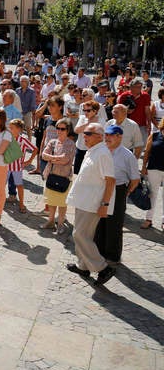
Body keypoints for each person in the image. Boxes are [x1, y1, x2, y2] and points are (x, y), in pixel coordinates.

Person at [65, 123, 117, 286]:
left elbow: (110, 181)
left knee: (79, 235)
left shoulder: (102, 154)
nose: (84, 136)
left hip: (93, 203)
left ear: (99, 136)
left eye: (88, 133)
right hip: (84, 201)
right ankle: (83, 266)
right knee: (83, 235)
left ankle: (103, 268)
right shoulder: (92, 150)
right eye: (84, 133)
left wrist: (105, 204)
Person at [97, 124, 139, 263]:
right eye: (106, 135)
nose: (107, 138)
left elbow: (135, 179)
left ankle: (113, 257)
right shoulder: (101, 150)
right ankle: (98, 252)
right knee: (99, 222)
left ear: (119, 137)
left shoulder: (128, 155)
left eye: (111, 135)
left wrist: (125, 193)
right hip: (100, 188)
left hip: (118, 189)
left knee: (114, 224)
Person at [40, 119, 76, 233]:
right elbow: (43, 155)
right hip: (51, 175)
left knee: (62, 203)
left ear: (68, 130)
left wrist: (51, 158)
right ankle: (51, 221)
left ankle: (60, 224)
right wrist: (56, 158)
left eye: (62, 129)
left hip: (64, 177)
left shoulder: (71, 144)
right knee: (51, 201)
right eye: (58, 128)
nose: (59, 131)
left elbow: (65, 160)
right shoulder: (52, 142)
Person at [6, 119, 38, 214]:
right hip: (6, 166)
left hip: (17, 168)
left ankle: (21, 203)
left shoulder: (23, 140)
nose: (9, 129)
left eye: (12, 128)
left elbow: (35, 149)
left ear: (19, 129)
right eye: (9, 127)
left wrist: (29, 161)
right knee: (1, 184)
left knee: (19, 185)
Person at [141, 119, 164, 231]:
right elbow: (147, 152)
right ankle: (148, 219)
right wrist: (143, 166)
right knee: (152, 195)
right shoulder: (154, 135)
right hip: (153, 169)